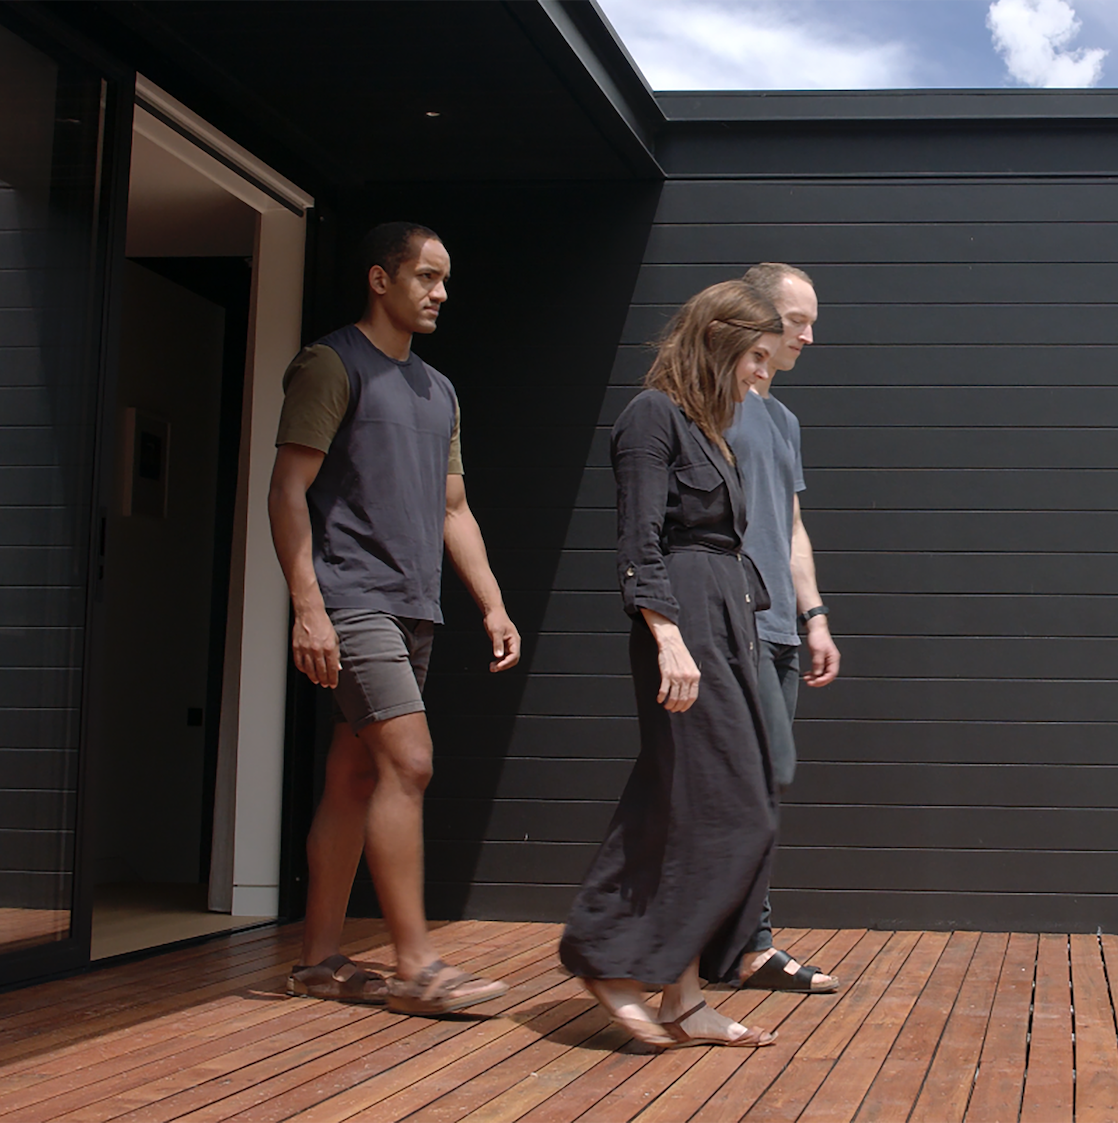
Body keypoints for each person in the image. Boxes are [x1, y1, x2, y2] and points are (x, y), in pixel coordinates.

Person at [271, 222, 520, 1015]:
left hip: (416, 606)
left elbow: (455, 507)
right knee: (409, 761)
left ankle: (318, 963)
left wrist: (491, 601)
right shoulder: (331, 363)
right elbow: (287, 491)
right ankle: (416, 965)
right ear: (381, 279)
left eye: (445, 279)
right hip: (353, 600)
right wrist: (308, 605)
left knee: (353, 775)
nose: (440, 292)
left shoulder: (438, 390)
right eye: (426, 276)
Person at [560, 281, 785, 1050]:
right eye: (756, 355)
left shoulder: (711, 429)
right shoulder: (649, 416)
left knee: (695, 801)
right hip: (683, 617)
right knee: (727, 806)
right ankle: (607, 954)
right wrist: (668, 635)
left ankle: (682, 995)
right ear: (720, 341)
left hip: (725, 617)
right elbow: (640, 542)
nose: (762, 372)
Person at [725, 263, 842, 993]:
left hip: (780, 630)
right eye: (797, 321)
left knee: (765, 782)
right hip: (726, 624)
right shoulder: (709, 404)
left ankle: (745, 943)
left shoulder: (783, 418)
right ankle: (741, 941)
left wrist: (815, 615)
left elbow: (791, 527)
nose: (807, 336)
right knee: (746, 781)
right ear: (755, 317)